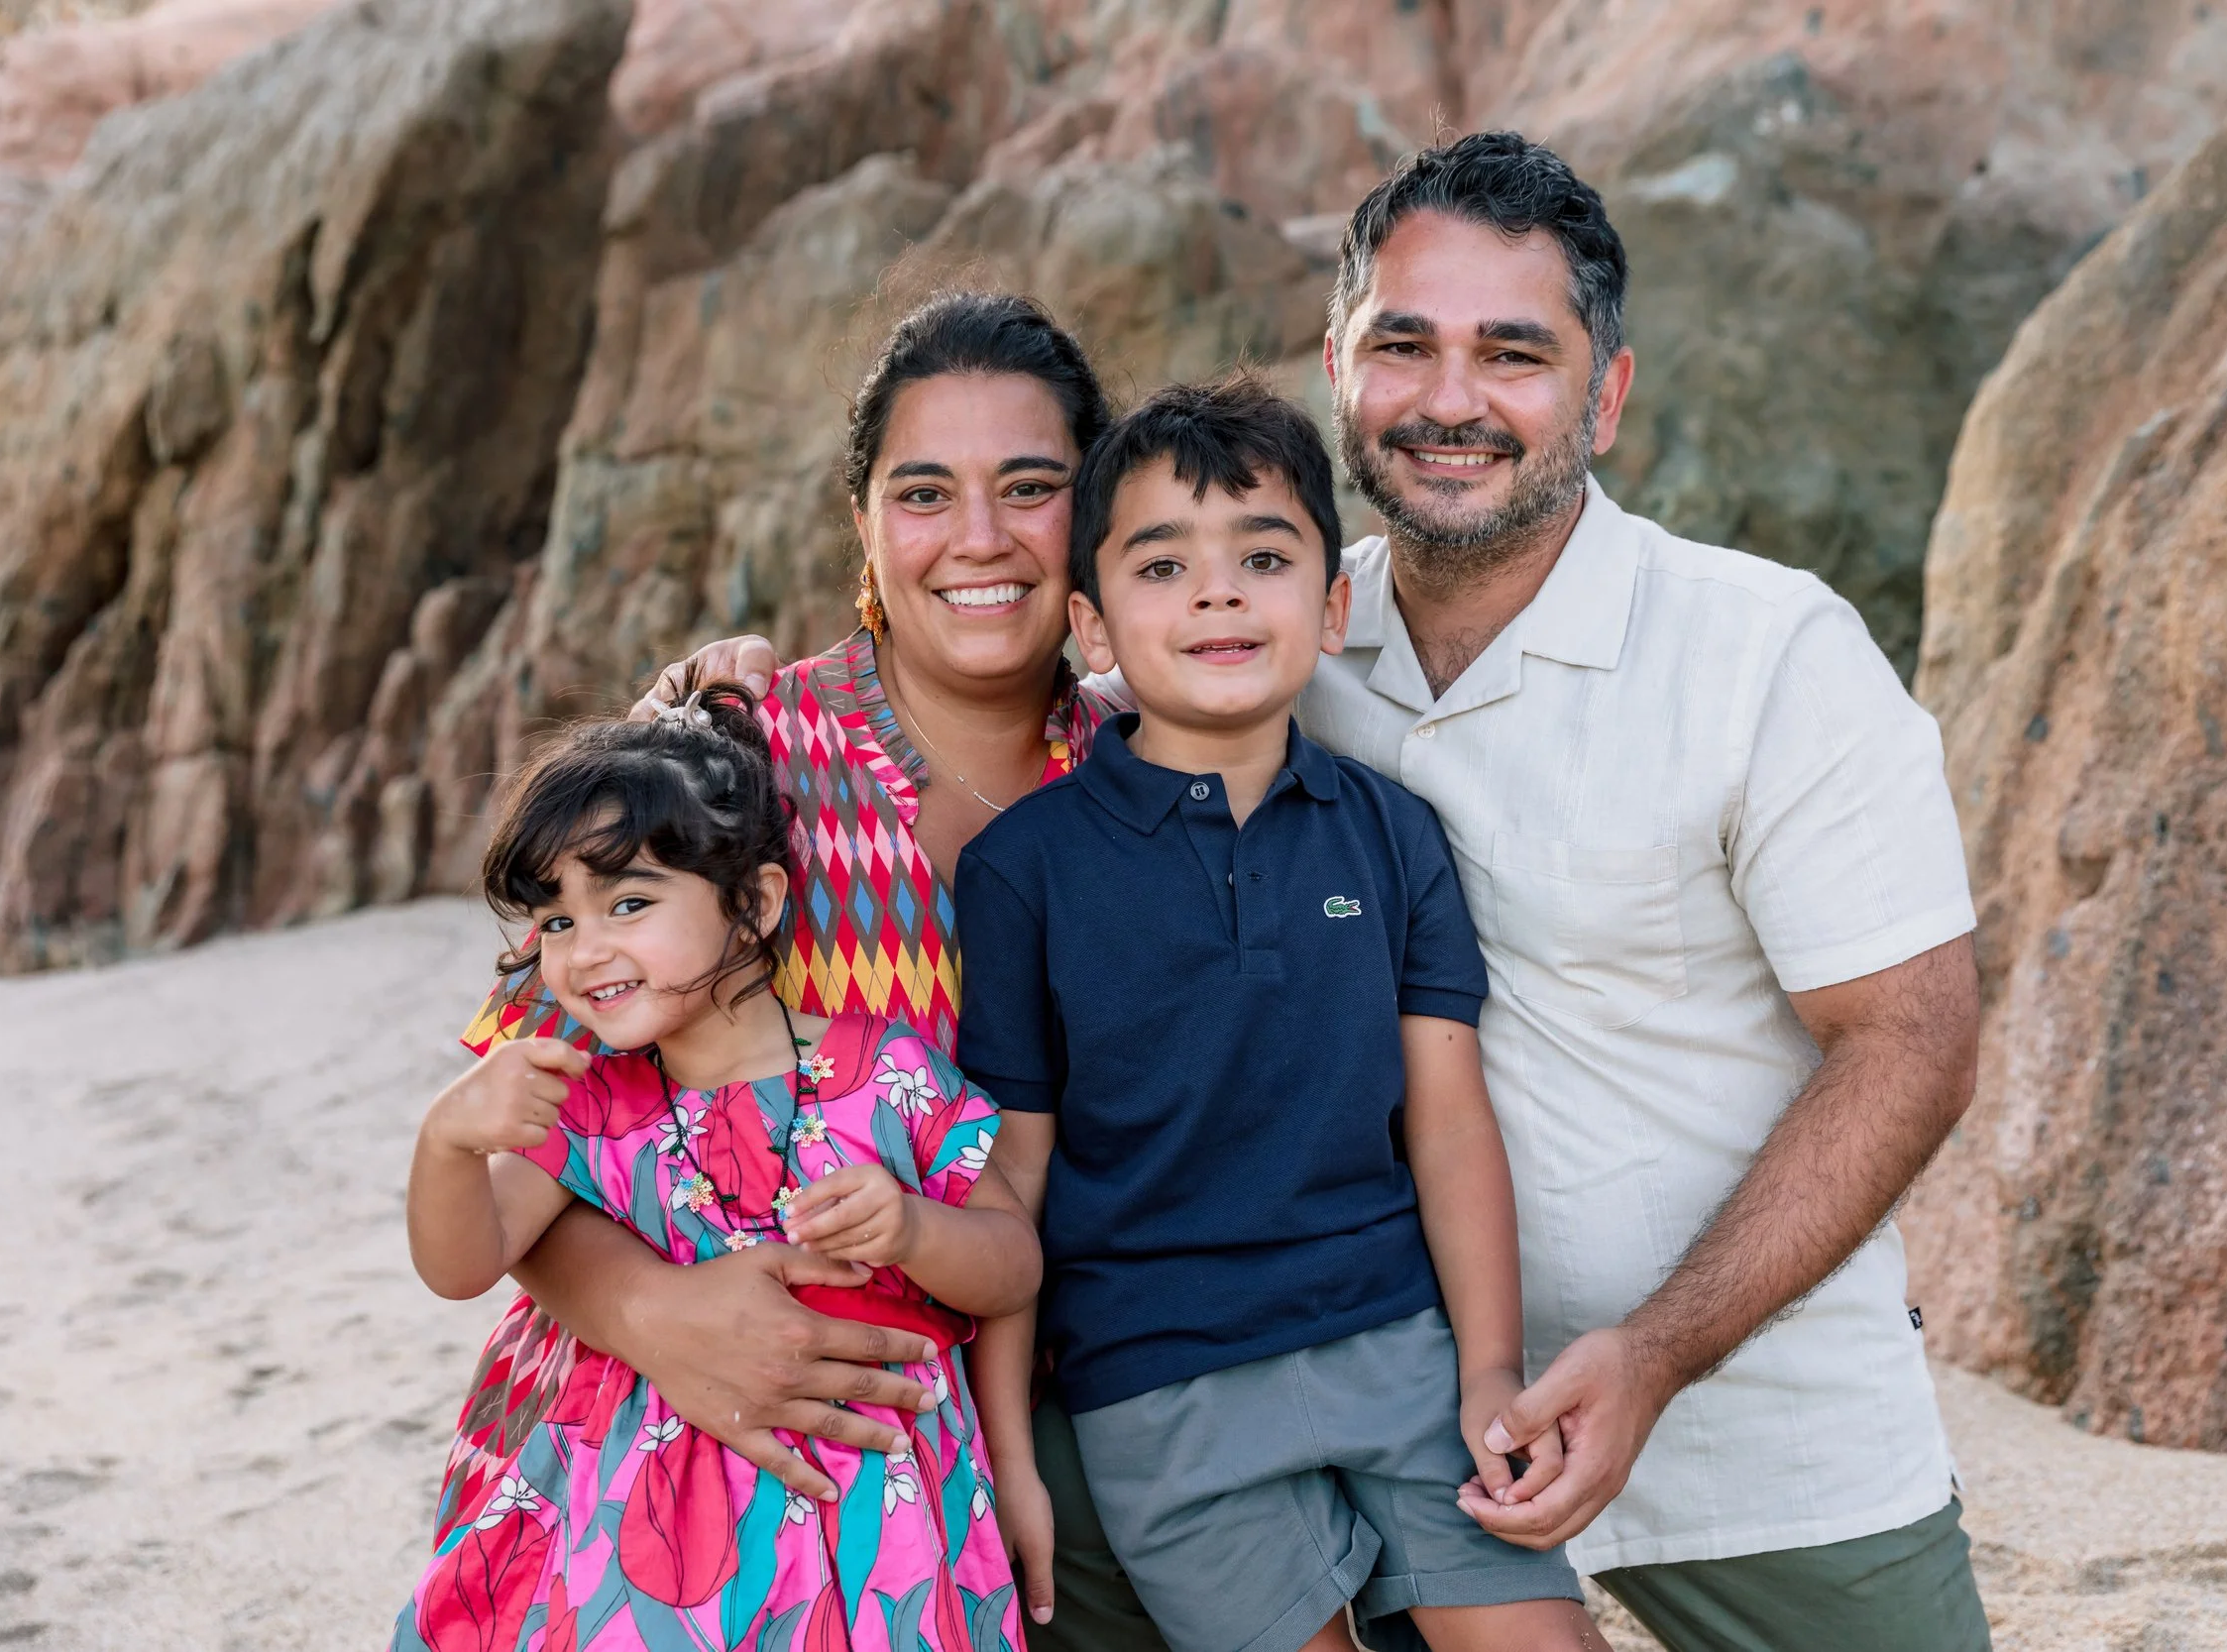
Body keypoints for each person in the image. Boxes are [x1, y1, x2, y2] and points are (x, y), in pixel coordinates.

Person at [659, 130, 1992, 1652]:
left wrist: (1656, 1351)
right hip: (1297, 1381)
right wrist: (725, 705)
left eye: (1514, 353)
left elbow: (1915, 1038)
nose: (1450, 397)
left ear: (1608, 394)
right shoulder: (1255, 633)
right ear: (1339, 364)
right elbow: (1024, 661)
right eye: (1405, 344)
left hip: (1729, 1406)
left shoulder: (1763, 652)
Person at [426, 291, 1143, 1611]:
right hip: (694, 1440)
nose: (979, 537)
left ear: (1094, 513)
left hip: (1050, 1404)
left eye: (1031, 486)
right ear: (862, 521)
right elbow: (534, 1116)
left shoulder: (1153, 774)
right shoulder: (730, 766)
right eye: (922, 493)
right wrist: (655, 1316)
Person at [954, 376, 1613, 1652]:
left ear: (1333, 604)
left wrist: (1487, 1364)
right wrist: (1007, 1458)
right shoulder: (1026, 869)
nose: (1218, 594)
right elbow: (1011, 1179)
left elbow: (1448, 1123)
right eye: (1163, 566)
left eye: (1262, 557)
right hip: (1161, 1386)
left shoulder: (1393, 834)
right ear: (1091, 625)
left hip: (1400, 1346)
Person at [396, 678, 1041, 1650]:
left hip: (881, 1524)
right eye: (558, 920)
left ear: (755, 903)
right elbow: (462, 1264)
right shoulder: (589, 1099)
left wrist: (916, 1228)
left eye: (628, 902)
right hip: (647, 1540)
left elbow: (1012, 1265)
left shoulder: (888, 1073)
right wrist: (445, 1143)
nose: (585, 950)